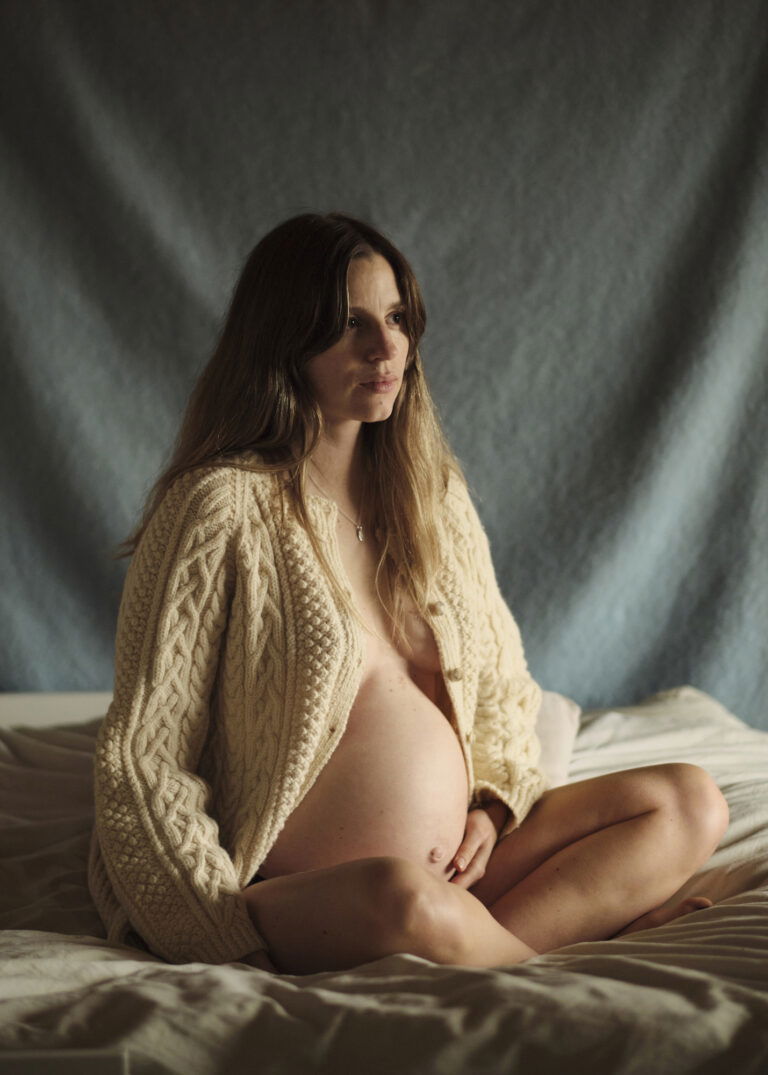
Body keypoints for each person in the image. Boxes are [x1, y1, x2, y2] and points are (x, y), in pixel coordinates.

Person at [89, 212, 729, 975]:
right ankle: (557, 963)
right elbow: (143, 758)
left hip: (465, 868)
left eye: (397, 318)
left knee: (689, 800)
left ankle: (483, 944)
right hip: (310, 894)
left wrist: (493, 805)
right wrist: (214, 928)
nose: (384, 345)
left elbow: (502, 688)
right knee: (402, 896)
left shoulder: (433, 498)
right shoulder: (219, 506)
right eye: (349, 323)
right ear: (283, 339)